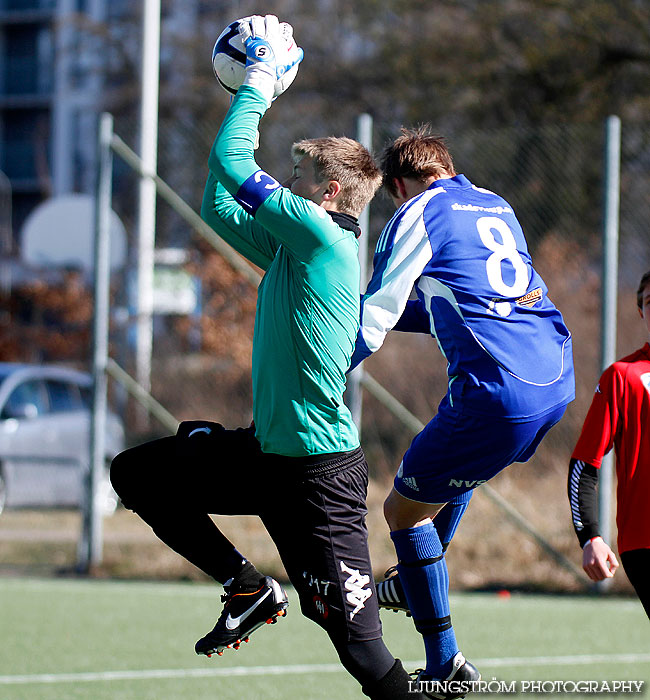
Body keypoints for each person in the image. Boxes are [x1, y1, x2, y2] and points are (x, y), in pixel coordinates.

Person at [110, 16, 425, 700]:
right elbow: (218, 202)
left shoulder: (320, 237)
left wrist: (258, 80)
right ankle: (247, 587)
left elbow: (233, 166)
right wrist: (250, 93)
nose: (290, 183)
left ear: (331, 193)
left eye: (303, 174)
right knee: (137, 474)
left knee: (365, 658)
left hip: (319, 479)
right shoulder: (294, 248)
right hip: (266, 458)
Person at [348, 126, 575, 697]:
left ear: (399, 184)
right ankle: (420, 574)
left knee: (403, 512)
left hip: (499, 390)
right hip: (553, 376)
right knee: (450, 472)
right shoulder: (495, 204)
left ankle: (445, 664)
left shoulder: (415, 212)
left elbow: (377, 312)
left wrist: (322, 370)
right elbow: (459, 298)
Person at [568, 270, 650, 620]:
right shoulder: (623, 376)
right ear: (641, 312)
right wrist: (591, 537)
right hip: (644, 542)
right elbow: (583, 467)